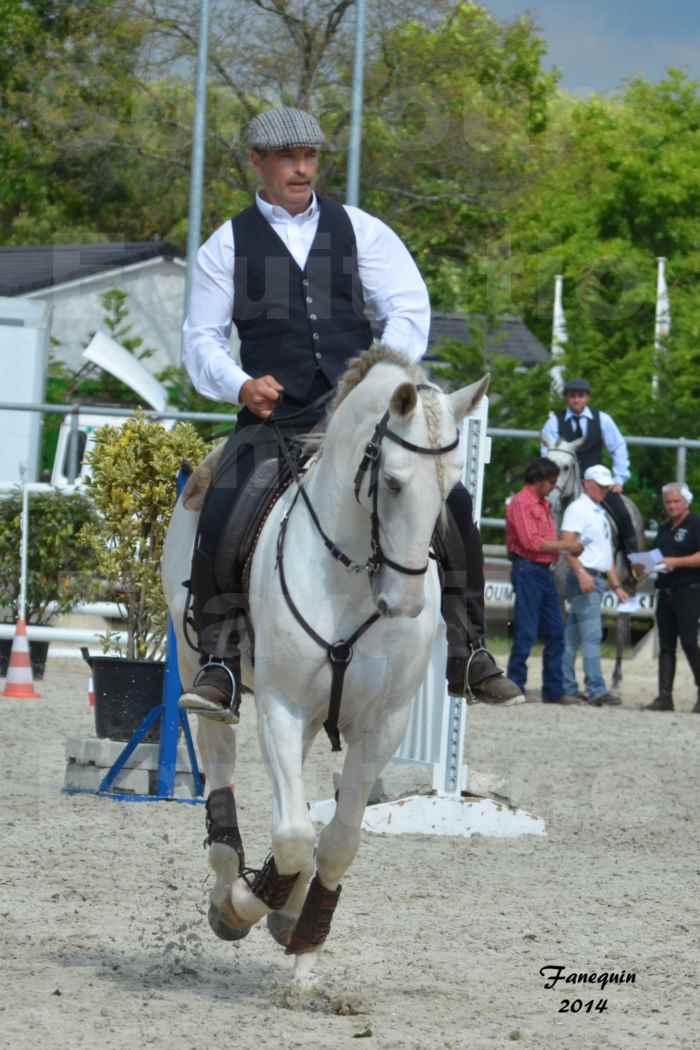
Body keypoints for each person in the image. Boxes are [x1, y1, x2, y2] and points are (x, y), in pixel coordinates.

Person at [179, 105, 520, 719]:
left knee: (452, 498)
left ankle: (468, 650)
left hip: (359, 416)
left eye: (310, 158)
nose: (302, 169)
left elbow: (409, 307)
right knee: (224, 506)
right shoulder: (225, 244)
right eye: (288, 159)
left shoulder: (360, 229)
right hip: (275, 416)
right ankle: (222, 661)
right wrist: (238, 384)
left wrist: (385, 376)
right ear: (257, 163)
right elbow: (200, 339)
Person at [505, 457, 584, 703]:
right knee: (526, 630)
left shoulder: (542, 503)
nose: (553, 487)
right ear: (539, 481)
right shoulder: (521, 503)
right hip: (528, 569)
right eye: (551, 482)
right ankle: (515, 684)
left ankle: (553, 689)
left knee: (556, 631)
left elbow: (542, 541)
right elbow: (531, 542)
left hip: (543, 570)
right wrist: (567, 546)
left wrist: (563, 548)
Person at [541, 378, 638, 554]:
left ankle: (637, 564)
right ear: (566, 398)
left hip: (597, 483)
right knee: (543, 514)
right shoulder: (554, 421)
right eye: (572, 396)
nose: (576, 400)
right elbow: (547, 455)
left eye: (580, 396)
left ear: (587, 398)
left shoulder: (602, 419)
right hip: (563, 484)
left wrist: (618, 479)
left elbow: (618, 447)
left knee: (623, 514)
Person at [559, 464, 629, 706]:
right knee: (592, 635)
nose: (604, 490)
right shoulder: (578, 509)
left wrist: (616, 585)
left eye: (606, 487)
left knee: (573, 636)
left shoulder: (596, 510)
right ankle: (596, 689)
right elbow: (567, 545)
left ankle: (566, 686)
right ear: (587, 483)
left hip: (593, 577)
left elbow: (604, 554)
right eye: (600, 486)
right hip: (585, 579)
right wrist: (581, 573)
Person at [643, 483, 700, 713]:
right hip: (665, 591)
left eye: (676, 501)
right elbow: (657, 556)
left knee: (688, 641)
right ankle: (664, 696)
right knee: (665, 645)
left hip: (689, 590)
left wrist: (675, 562)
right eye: (668, 502)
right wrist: (643, 564)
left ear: (686, 502)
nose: (672, 506)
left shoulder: (696, 524)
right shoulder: (664, 529)